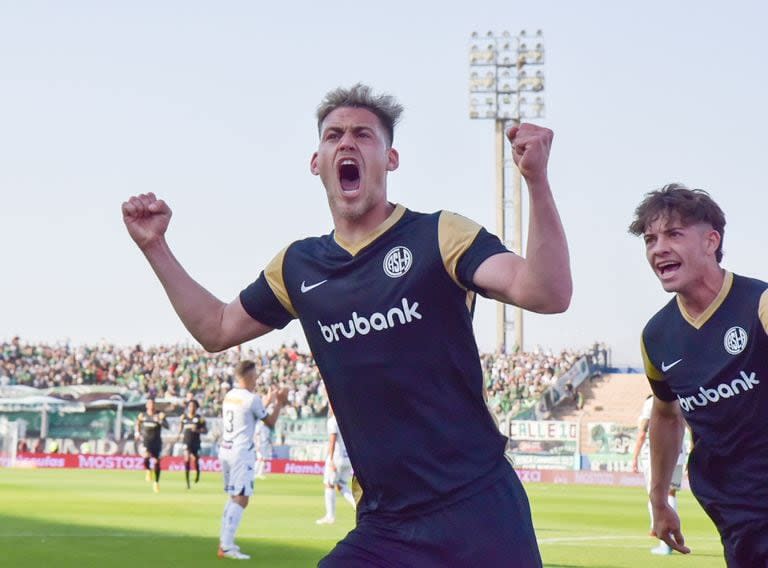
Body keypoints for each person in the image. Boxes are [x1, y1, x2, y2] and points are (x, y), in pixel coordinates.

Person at [122, 83, 571, 566]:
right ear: (316, 162)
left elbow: (546, 292)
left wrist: (536, 181)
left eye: (363, 134)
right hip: (385, 523)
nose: (346, 143)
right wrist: (155, 248)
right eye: (333, 135)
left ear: (391, 158)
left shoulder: (438, 235)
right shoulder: (297, 266)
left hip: (478, 508)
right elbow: (215, 328)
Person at [629, 183, 768, 567]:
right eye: (650, 239)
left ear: (711, 241)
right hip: (733, 509)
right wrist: (659, 500)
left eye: (674, 234)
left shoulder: (758, 304)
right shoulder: (656, 336)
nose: (658, 248)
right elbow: (666, 414)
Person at [217, 361, 288, 560]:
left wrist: (268, 400)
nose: (256, 379)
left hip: (226, 449)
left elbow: (251, 413)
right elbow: (270, 422)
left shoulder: (230, 395)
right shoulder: (251, 399)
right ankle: (227, 545)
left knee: (233, 496)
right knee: (242, 498)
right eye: (255, 376)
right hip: (241, 453)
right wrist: (279, 403)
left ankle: (224, 541)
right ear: (248, 377)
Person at [630, 394, 686, 555]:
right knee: (671, 493)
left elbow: (642, 432)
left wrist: (634, 456)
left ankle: (663, 538)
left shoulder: (652, 402)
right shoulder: (681, 398)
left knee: (657, 495)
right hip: (678, 453)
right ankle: (665, 535)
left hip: (657, 456)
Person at [316, 406, 355, 525]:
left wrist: (331, 459)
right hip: (347, 458)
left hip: (337, 458)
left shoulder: (333, 421)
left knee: (329, 484)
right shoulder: (348, 420)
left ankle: (330, 516)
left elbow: (332, 440)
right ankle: (357, 506)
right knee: (342, 485)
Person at [135, 398, 169, 493]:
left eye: (152, 404)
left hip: (156, 441)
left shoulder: (159, 415)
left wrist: (160, 421)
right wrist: (137, 433)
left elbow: (167, 426)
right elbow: (138, 423)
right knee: (146, 457)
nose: (151, 405)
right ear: (146, 405)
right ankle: (148, 470)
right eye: (149, 404)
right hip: (146, 441)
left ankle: (156, 482)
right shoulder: (142, 415)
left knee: (157, 462)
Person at [177, 398, 208, 489]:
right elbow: (180, 428)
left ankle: (197, 473)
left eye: (193, 406)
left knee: (195, 459)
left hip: (195, 442)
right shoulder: (184, 418)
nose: (191, 408)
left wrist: (198, 430)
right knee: (186, 459)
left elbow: (205, 430)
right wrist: (178, 436)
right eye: (190, 406)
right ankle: (187, 482)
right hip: (186, 441)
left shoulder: (200, 419)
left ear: (196, 407)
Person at [253, 414, 273, 480]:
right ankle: (254, 472)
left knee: (264, 459)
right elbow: (257, 435)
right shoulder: (259, 425)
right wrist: (257, 445)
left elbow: (268, 437)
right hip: (259, 444)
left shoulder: (267, 427)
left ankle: (260, 473)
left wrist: (270, 444)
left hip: (265, 444)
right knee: (260, 458)